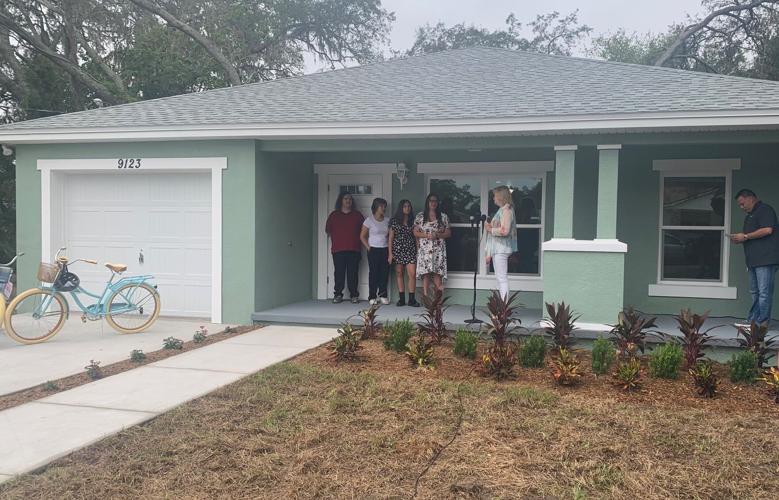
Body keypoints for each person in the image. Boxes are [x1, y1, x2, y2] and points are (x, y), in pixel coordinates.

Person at [730, 189, 779, 327]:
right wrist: (740, 239)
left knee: (764, 292)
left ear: (751, 198)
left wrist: (745, 236)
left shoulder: (765, 210)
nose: (741, 207)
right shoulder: (750, 216)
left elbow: (767, 230)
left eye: (742, 203)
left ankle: (761, 323)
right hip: (753, 261)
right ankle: (752, 321)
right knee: (755, 292)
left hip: (766, 259)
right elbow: (752, 236)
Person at [325, 192, 364, 304]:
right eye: (346, 198)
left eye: (350, 199)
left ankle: (354, 295)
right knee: (339, 273)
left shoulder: (358, 215)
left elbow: (364, 231)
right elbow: (328, 230)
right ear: (341, 201)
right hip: (338, 250)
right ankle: (338, 295)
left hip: (354, 249)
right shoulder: (334, 215)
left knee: (353, 274)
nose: (348, 201)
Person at [414, 193, 451, 298]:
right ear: (427, 202)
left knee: (437, 272)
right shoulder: (420, 216)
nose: (433, 203)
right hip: (424, 249)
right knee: (425, 273)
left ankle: (437, 299)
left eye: (435, 201)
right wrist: (426, 235)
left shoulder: (443, 217)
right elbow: (415, 232)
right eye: (431, 200)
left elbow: (448, 233)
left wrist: (437, 235)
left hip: (438, 249)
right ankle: (425, 298)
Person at [484, 186, 518, 301]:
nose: (493, 198)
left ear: (500, 196)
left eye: (495, 195)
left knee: (502, 278)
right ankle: (501, 304)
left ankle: (504, 307)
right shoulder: (502, 210)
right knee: (499, 278)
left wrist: (490, 229)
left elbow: (505, 231)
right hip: (497, 248)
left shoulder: (507, 210)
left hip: (501, 248)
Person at [389, 199, 420, 307]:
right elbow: (391, 238)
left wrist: (418, 251)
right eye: (405, 206)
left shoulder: (413, 221)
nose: (407, 208)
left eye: (409, 206)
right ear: (401, 208)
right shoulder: (394, 221)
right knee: (399, 273)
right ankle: (401, 299)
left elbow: (416, 237)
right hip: (398, 250)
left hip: (411, 250)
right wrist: (390, 253)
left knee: (412, 274)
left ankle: (412, 299)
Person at [361, 197, 390, 305]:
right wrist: (369, 248)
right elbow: (362, 236)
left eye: (384, 206)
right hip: (373, 250)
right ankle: (372, 296)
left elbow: (390, 236)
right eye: (381, 206)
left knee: (384, 273)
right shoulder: (369, 220)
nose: (383, 208)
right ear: (376, 207)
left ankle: (383, 295)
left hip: (385, 249)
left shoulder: (388, 220)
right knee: (373, 273)